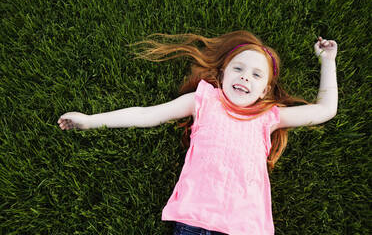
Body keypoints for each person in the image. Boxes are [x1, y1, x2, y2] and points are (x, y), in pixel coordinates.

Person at [58, 31, 338, 234]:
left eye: (256, 75)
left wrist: (327, 60)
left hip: (246, 227)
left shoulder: (268, 116)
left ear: (264, 90)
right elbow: (147, 114)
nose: (244, 77)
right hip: (195, 220)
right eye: (238, 69)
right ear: (223, 74)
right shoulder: (204, 99)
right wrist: (90, 120)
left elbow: (325, 109)